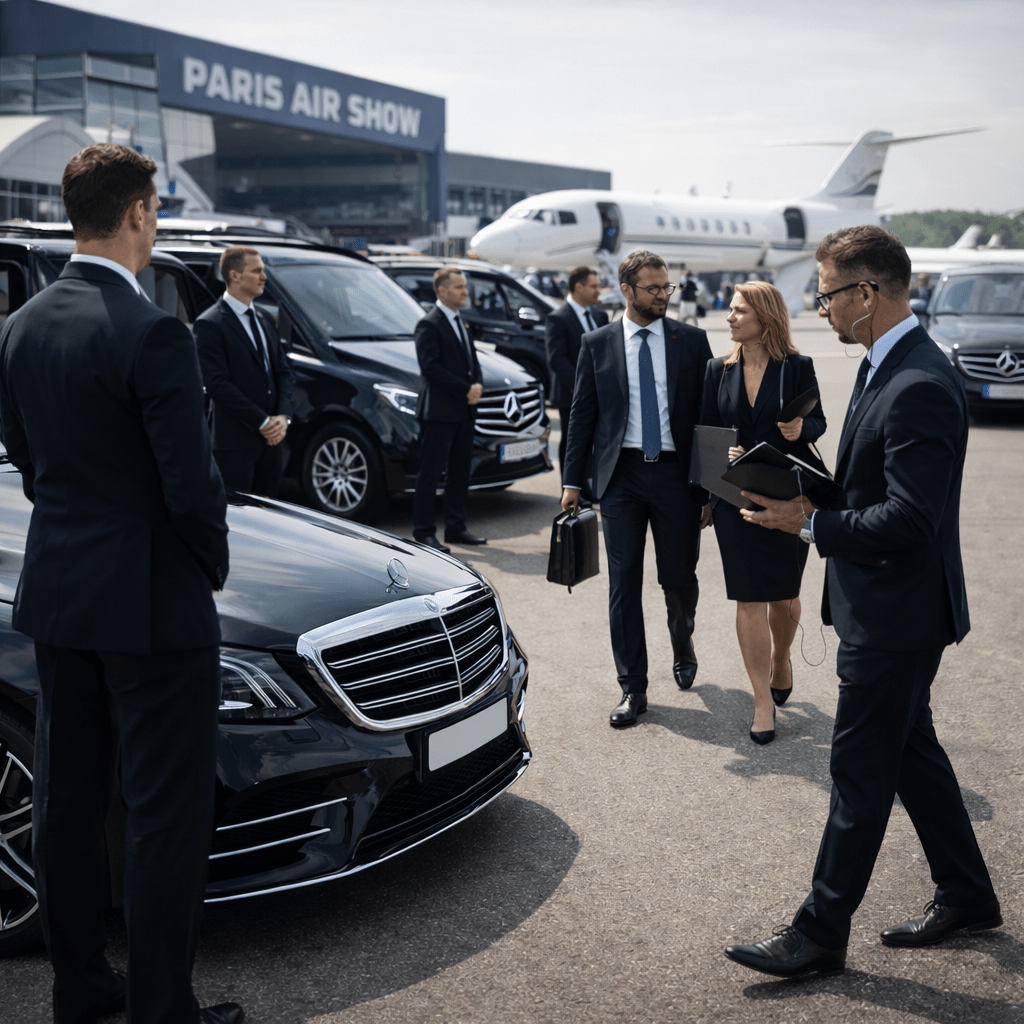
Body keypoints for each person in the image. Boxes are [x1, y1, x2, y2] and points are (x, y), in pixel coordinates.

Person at [0, 144, 242, 1023]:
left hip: (61, 595)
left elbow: (27, 461)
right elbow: (191, 488)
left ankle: (80, 991)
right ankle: (160, 1008)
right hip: (153, 606)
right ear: (139, 213)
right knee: (162, 815)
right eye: (154, 208)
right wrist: (209, 565)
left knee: (67, 802)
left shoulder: (19, 327)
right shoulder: (153, 331)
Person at [725, 225, 999, 980]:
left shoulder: (917, 383)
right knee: (913, 757)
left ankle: (818, 933)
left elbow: (911, 519)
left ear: (866, 295)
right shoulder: (892, 365)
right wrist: (799, 483)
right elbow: (874, 488)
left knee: (858, 772)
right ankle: (969, 894)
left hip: (898, 614)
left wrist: (809, 522)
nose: (822, 309)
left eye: (827, 295)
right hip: (885, 606)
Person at [561, 250, 712, 727]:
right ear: (627, 290)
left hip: (675, 475)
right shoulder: (597, 343)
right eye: (654, 289)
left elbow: (708, 418)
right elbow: (581, 415)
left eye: (667, 287)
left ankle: (682, 635)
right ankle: (634, 688)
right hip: (620, 478)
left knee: (678, 578)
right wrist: (570, 481)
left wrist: (709, 486)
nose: (664, 296)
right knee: (623, 585)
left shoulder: (691, 340)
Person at [701, 281, 826, 745]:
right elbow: (706, 431)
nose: (729, 317)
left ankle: (780, 659)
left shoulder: (797, 367)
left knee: (784, 594)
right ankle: (760, 700)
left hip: (787, 493)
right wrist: (712, 478)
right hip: (734, 496)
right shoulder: (716, 369)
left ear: (765, 318)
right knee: (748, 597)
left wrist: (799, 427)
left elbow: (819, 421)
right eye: (730, 310)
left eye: (737, 311)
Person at [194, 246, 294, 497]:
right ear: (235, 275)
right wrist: (262, 422)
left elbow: (283, 372)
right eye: (257, 271)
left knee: (270, 518)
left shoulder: (265, 319)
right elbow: (218, 384)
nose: (264, 277)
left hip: (272, 442)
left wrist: (283, 416)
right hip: (235, 446)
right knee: (239, 522)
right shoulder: (210, 323)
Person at [413, 266, 487, 553]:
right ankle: (424, 532)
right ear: (442, 291)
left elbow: (472, 360)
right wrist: (465, 388)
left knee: (459, 473)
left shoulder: (461, 322)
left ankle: (456, 528)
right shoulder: (429, 324)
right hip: (439, 412)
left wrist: (478, 383)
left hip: (464, 411)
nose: (465, 292)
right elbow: (430, 367)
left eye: (464, 286)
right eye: (459, 287)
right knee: (430, 474)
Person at [545, 264, 609, 502]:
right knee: (573, 442)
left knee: (593, 440)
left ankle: (586, 485)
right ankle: (571, 487)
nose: (598, 291)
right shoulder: (558, 318)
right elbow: (556, 359)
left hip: (600, 393)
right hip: (572, 393)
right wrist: (584, 387)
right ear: (578, 287)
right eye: (593, 286)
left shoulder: (599, 315)